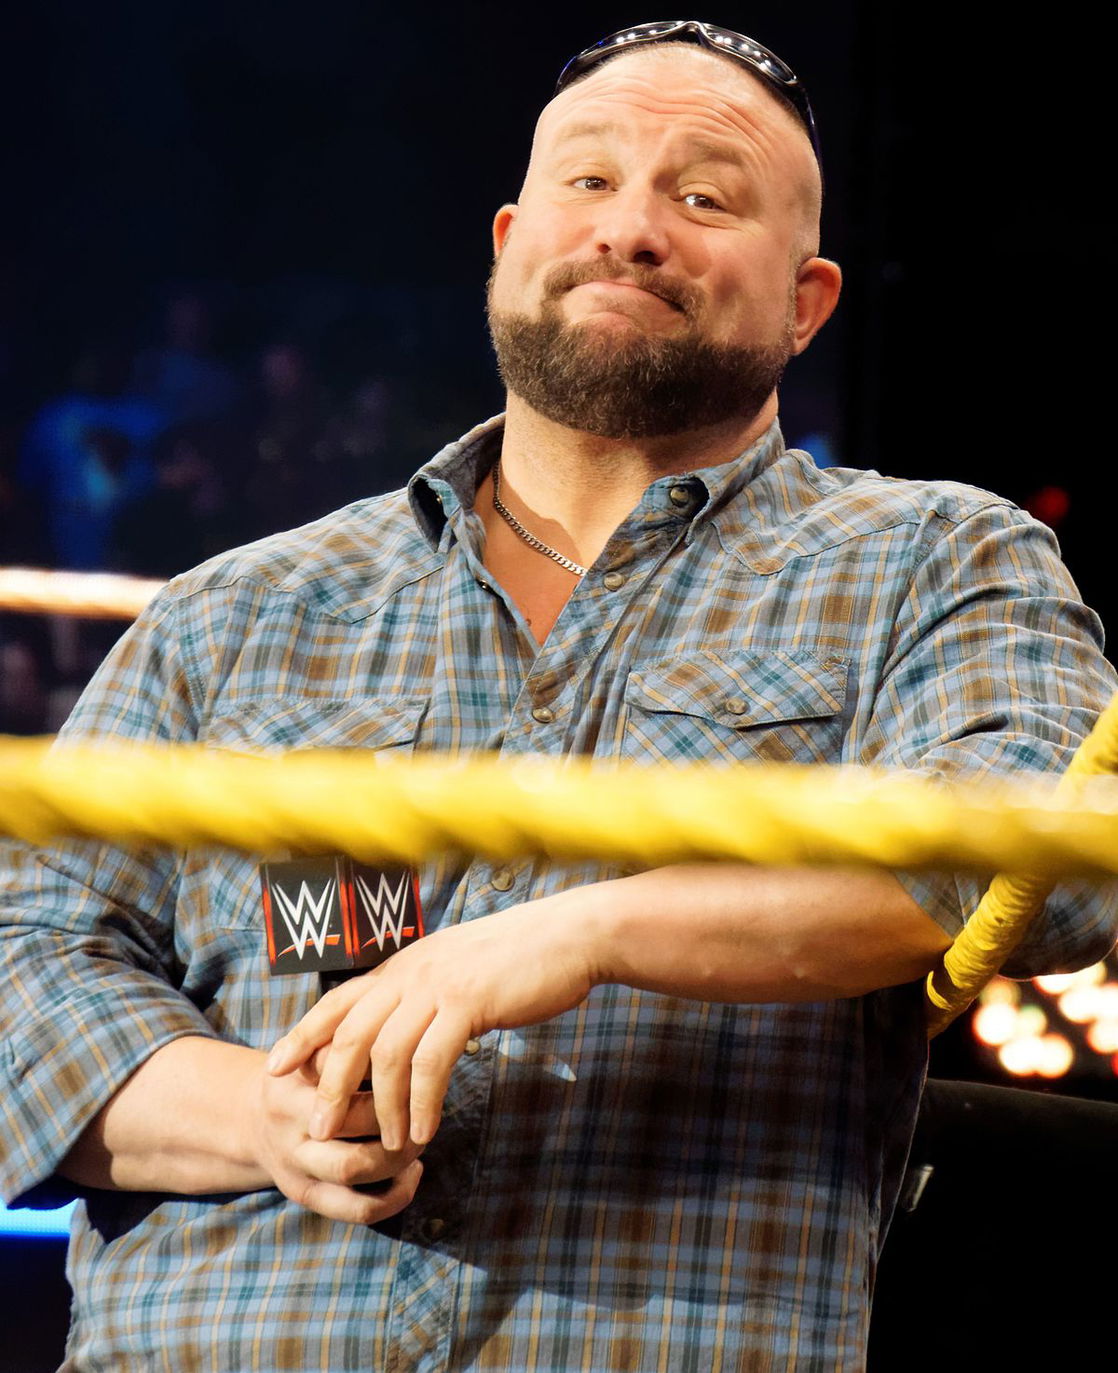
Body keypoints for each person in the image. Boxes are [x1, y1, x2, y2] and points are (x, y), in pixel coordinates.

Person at [1, 20, 1115, 1371]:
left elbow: (1045, 855)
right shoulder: (237, 610)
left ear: (807, 302)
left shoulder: (932, 558)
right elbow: (26, 955)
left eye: (704, 197)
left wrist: (586, 931)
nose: (631, 229)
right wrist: (262, 1115)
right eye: (589, 180)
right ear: (509, 239)